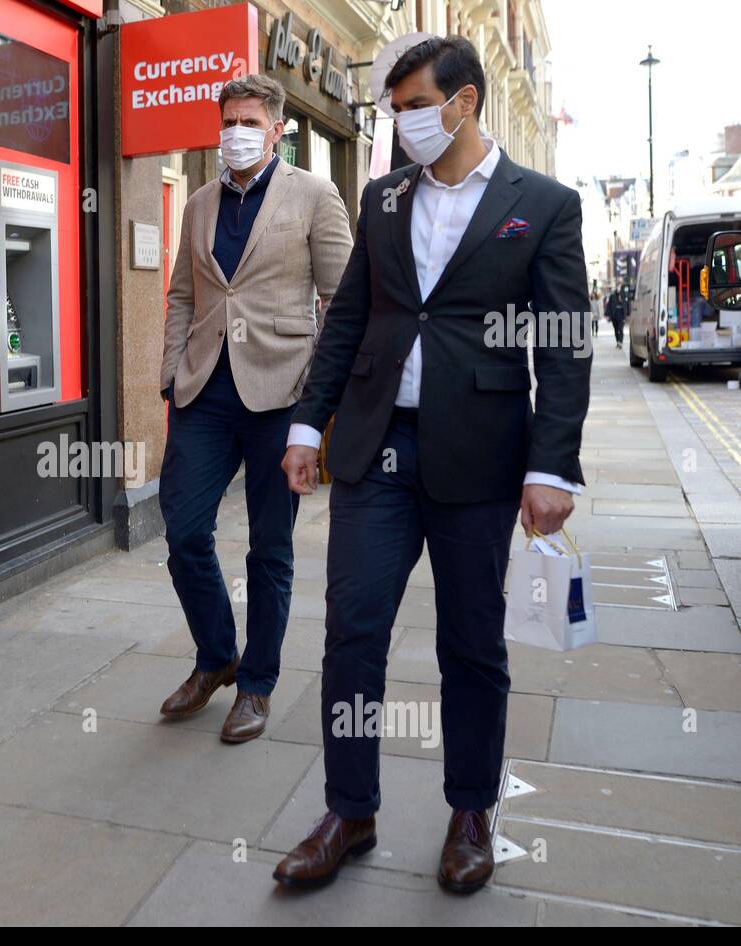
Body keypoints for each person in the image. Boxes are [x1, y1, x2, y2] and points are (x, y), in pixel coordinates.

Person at [276, 36, 591, 893]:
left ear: (464, 102)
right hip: (376, 450)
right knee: (352, 629)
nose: (404, 119)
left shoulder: (545, 206)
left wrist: (553, 466)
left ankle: (470, 810)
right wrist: (308, 425)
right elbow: (347, 321)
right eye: (397, 107)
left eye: (416, 103)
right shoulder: (381, 198)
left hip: (481, 455)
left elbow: (564, 348)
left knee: (471, 644)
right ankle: (350, 807)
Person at [158, 74, 352, 743]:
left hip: (280, 394)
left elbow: (343, 301)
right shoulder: (199, 203)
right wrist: (168, 373)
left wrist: (317, 402)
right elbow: (183, 292)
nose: (234, 133)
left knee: (270, 548)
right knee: (183, 532)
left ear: (276, 128)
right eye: (227, 122)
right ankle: (216, 656)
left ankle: (257, 683)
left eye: (248, 122)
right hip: (203, 391)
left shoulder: (315, 195)